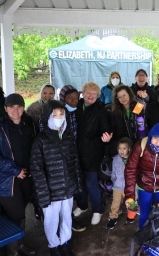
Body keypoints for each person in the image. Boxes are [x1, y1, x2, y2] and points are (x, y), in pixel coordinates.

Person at [0, 93, 36, 256]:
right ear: (5, 108)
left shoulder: (29, 125)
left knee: (15, 213)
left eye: (19, 106)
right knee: (17, 213)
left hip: (27, 177)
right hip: (7, 180)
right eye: (11, 106)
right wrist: (15, 170)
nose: (16, 110)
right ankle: (14, 250)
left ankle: (18, 245)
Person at [30, 100, 81, 256]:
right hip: (51, 191)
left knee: (67, 217)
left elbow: (75, 161)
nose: (59, 117)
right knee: (51, 221)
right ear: (47, 117)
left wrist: (76, 184)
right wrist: (43, 194)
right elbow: (36, 169)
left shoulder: (68, 136)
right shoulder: (41, 140)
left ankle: (65, 242)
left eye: (61, 114)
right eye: (55, 115)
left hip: (67, 188)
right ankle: (54, 246)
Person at [124, 121, 159, 228]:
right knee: (144, 214)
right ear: (150, 136)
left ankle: (156, 239)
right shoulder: (141, 145)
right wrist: (130, 196)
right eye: (156, 138)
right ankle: (143, 238)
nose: (158, 142)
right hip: (144, 185)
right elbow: (130, 170)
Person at [74, 82, 112, 226]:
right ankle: (82, 206)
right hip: (75, 150)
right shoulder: (76, 107)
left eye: (94, 94)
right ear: (82, 93)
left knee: (91, 182)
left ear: (98, 96)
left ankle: (97, 209)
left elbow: (105, 127)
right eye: (88, 93)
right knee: (79, 181)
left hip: (91, 151)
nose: (90, 96)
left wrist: (106, 136)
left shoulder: (100, 110)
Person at [58, 85, 86, 232]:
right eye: (70, 98)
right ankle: (66, 221)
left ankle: (79, 207)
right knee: (66, 188)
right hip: (63, 157)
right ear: (63, 99)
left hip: (77, 154)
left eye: (76, 97)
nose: (74, 100)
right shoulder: (58, 113)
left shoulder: (79, 110)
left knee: (77, 182)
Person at [106, 137, 132, 230]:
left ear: (129, 149)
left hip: (128, 187)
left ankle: (130, 216)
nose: (122, 151)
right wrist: (113, 182)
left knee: (131, 203)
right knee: (115, 203)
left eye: (124, 148)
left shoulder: (132, 158)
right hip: (117, 186)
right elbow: (113, 172)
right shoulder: (116, 158)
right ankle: (113, 218)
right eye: (120, 148)